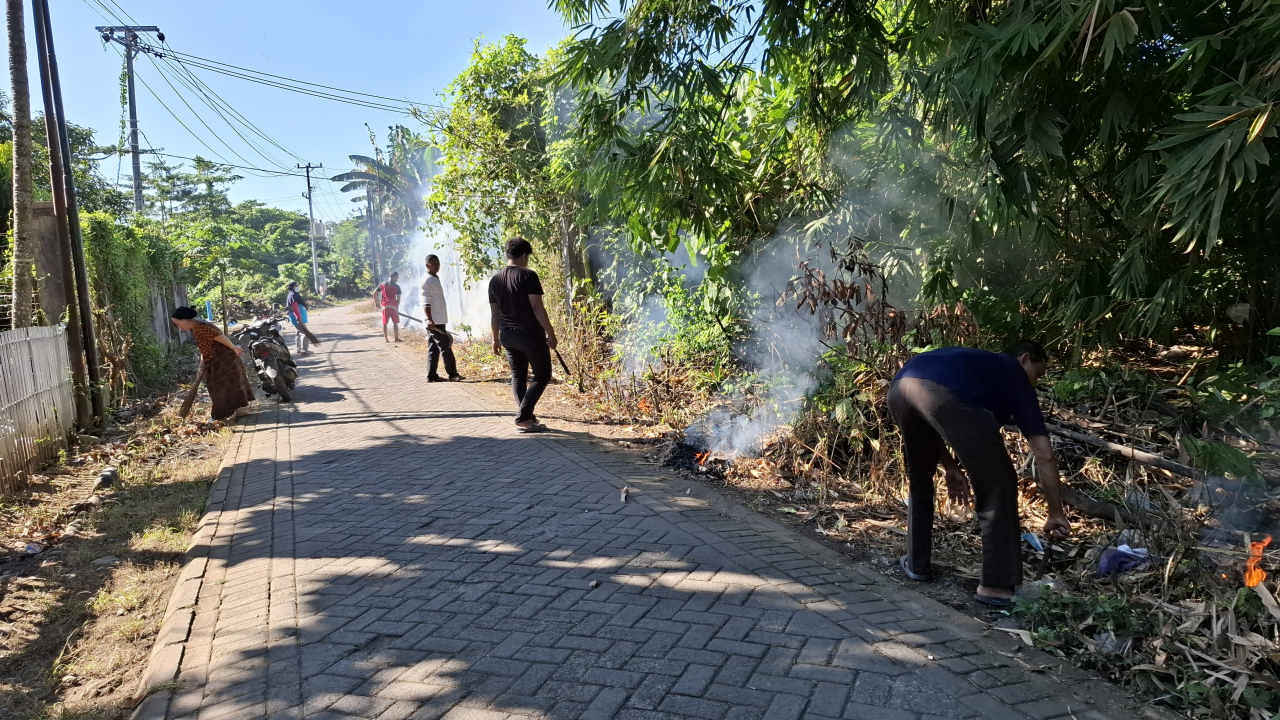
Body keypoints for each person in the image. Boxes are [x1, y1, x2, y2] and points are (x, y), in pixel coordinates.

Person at [887, 340, 1070, 608]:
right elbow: (1044, 453)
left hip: (901, 386)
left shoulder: (978, 366)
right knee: (999, 484)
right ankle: (996, 586)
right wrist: (1055, 512)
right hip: (940, 393)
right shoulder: (1015, 375)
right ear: (1025, 359)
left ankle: (917, 564)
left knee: (920, 476)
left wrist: (951, 467)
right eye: (1038, 374)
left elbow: (934, 421)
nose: (1035, 382)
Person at [489, 238, 557, 433]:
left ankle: (526, 417)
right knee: (543, 374)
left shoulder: (495, 280)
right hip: (529, 334)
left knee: (518, 375)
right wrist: (550, 333)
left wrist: (495, 338)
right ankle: (524, 416)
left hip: (507, 335)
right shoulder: (528, 276)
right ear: (525, 255)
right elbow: (536, 307)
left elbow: (495, 314)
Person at [170, 306, 254, 421]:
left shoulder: (200, 327)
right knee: (230, 385)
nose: (178, 327)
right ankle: (239, 410)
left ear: (184, 320)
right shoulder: (196, 327)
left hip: (223, 359)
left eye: (177, 323)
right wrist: (201, 366)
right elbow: (203, 348)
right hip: (218, 359)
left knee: (218, 387)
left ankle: (219, 415)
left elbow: (219, 336)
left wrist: (233, 347)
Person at [421, 254, 464, 382]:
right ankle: (453, 374)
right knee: (445, 346)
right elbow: (425, 302)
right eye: (433, 263)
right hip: (434, 322)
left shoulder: (434, 278)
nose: (436, 265)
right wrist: (429, 319)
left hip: (438, 320)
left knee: (433, 349)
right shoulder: (428, 280)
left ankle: (431, 376)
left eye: (438, 263)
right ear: (427, 265)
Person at [285, 281, 319, 355]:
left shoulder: (292, 294)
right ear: (293, 287)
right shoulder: (293, 295)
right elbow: (294, 307)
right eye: (297, 286)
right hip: (298, 317)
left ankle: (299, 349)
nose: (298, 287)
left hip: (295, 317)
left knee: (298, 333)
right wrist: (299, 317)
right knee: (304, 333)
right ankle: (304, 350)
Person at [374, 272, 402, 343]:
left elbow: (375, 293)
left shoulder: (383, 284)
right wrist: (397, 308)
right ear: (394, 277)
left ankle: (386, 339)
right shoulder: (397, 287)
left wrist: (376, 303)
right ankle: (396, 338)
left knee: (385, 323)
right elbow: (398, 299)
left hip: (384, 306)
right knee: (395, 323)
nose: (397, 279)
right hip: (393, 307)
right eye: (397, 278)